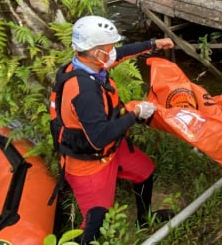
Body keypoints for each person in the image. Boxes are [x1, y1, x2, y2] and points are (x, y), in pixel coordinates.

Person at [49, 15, 175, 244]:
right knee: (94, 223)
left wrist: (154, 44)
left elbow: (123, 52)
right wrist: (136, 113)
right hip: (89, 163)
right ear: (97, 52)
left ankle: (144, 220)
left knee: (145, 171)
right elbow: (99, 137)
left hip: (112, 148)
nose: (113, 51)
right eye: (109, 47)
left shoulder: (87, 61)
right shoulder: (84, 91)